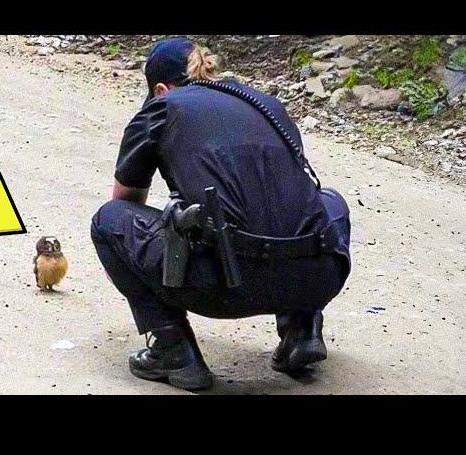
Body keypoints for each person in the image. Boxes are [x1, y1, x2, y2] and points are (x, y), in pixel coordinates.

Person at [90, 37, 351, 391]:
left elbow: (126, 200)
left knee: (109, 221)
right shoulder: (268, 105)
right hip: (316, 277)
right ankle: (301, 330)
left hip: (225, 283)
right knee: (328, 201)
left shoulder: (163, 106)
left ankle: (172, 350)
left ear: (161, 88)